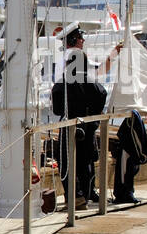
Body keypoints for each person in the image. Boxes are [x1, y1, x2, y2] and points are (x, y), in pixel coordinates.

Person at [51, 28, 119, 207]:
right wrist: (94, 118)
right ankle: (86, 193)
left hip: (70, 122)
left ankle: (76, 195)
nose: (83, 41)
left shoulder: (65, 73)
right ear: (75, 39)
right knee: (86, 159)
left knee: (67, 160)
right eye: (81, 38)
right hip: (88, 123)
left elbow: (58, 106)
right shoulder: (81, 67)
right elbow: (101, 90)